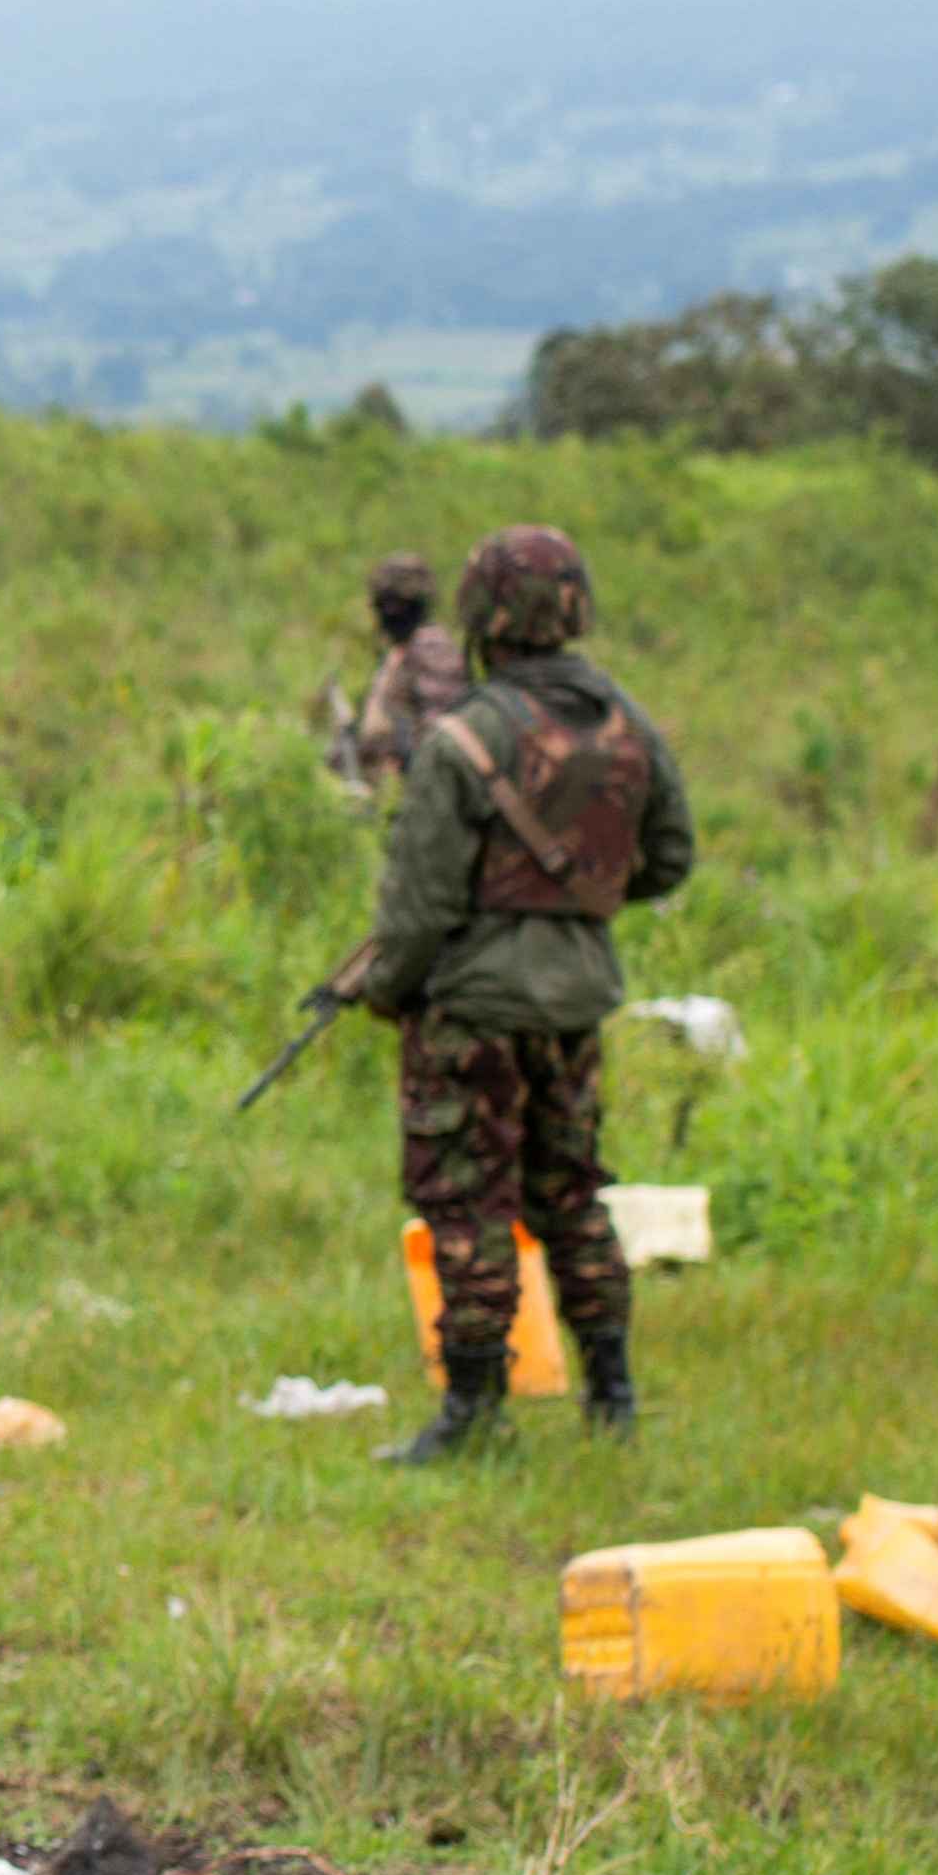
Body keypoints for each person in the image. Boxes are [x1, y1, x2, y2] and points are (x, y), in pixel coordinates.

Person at [330, 523, 695, 1461]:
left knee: (468, 1202)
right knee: (572, 1192)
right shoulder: (629, 727)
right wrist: (578, 911)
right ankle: (611, 1394)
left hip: (473, 1012)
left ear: (483, 615)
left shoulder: (463, 739)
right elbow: (668, 859)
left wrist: (388, 990)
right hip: (576, 1006)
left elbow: (417, 907)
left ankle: (473, 1411)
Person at [319, 551, 471, 797]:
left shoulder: (432, 650)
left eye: (395, 604)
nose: (388, 613)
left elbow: (440, 736)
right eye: (384, 603)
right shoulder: (399, 653)